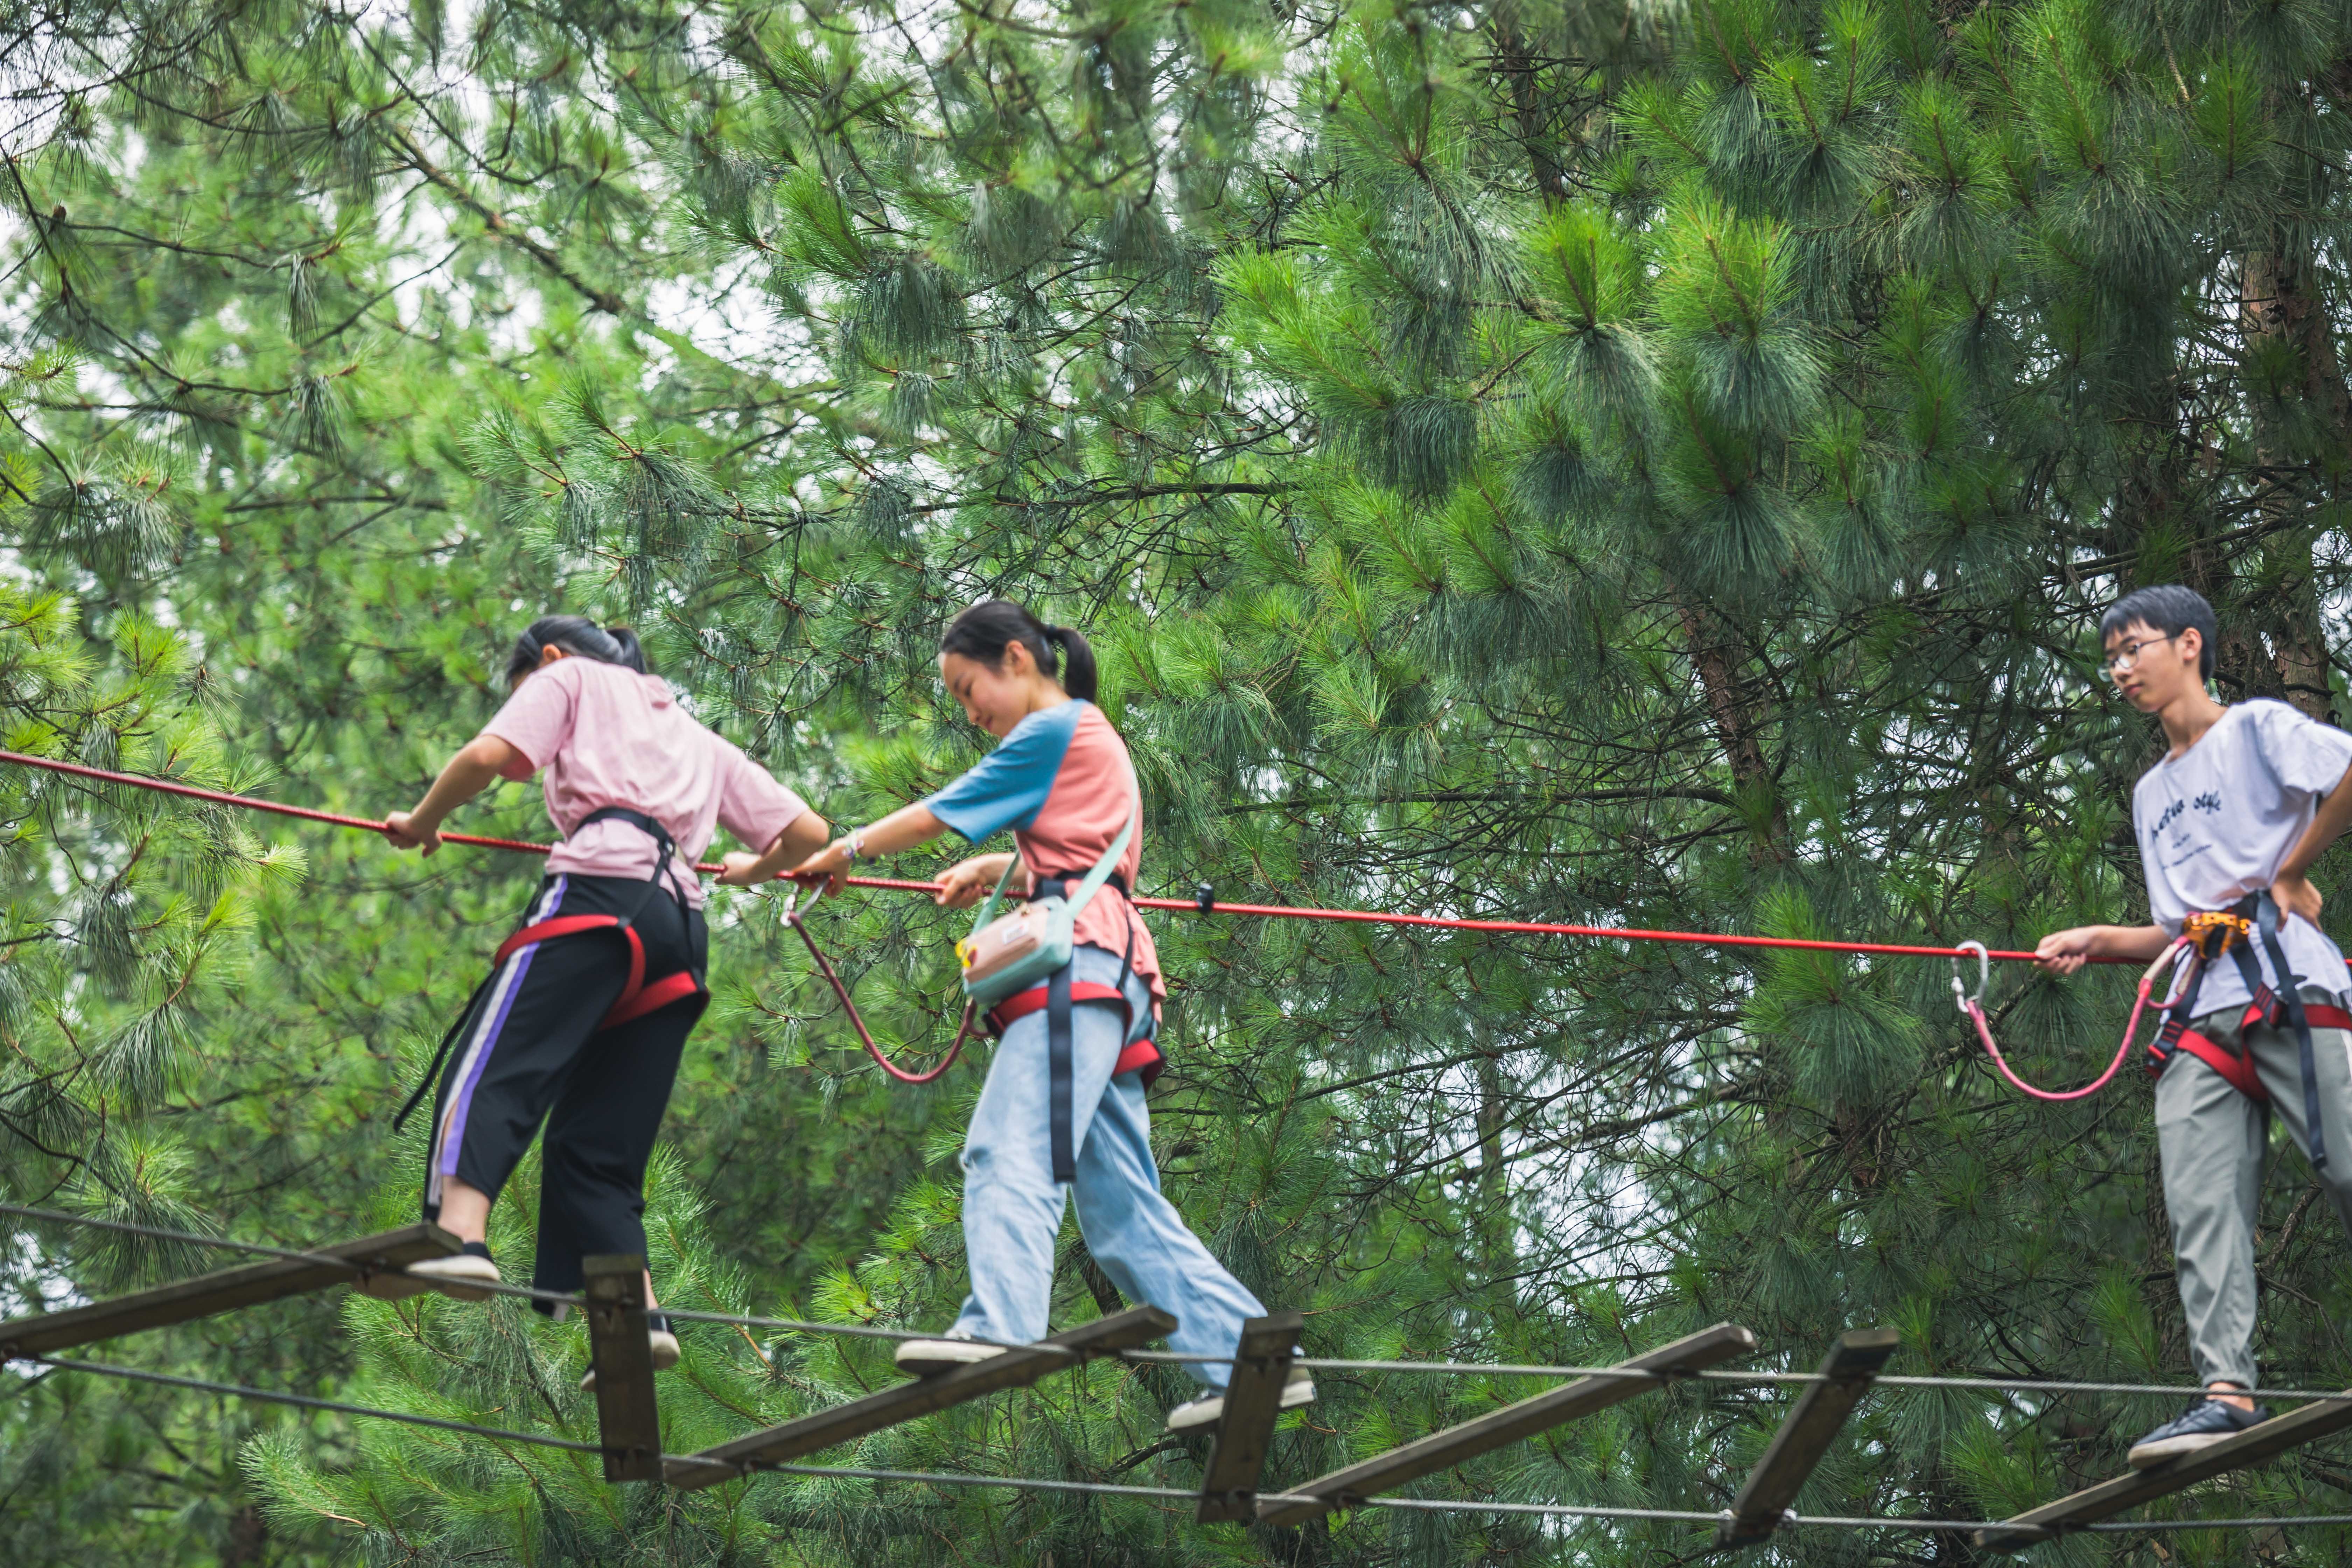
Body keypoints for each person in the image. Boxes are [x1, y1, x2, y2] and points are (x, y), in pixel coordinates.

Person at [731, 599, 1303, 1431]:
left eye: (970, 690)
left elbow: (944, 803)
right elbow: (1087, 847)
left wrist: (847, 848)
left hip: (1084, 976)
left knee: (1007, 1149)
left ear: (1015, 658)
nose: (971, 713)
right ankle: (1252, 1356)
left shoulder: (1054, 729)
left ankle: (1000, 1327)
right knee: (1120, 1212)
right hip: (1112, 977)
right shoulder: (1086, 735)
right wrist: (1006, 863)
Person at [383, 616, 826, 1384]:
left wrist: (423, 822)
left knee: (494, 1062)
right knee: (596, 1150)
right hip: (679, 929)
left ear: (549, 658)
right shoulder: (695, 734)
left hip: (599, 896)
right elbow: (809, 832)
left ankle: (462, 1233)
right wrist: (753, 870)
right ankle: (636, 1315)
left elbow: (492, 755)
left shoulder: (571, 676)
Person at [2035, 584, 2352, 1466]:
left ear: (2188, 645)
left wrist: (2291, 868)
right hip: (2198, 1012)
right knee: (2202, 1207)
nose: (2122, 667)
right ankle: (2226, 1392)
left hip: (2288, 984)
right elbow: (2179, 926)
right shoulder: (2151, 794)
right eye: (2111, 658)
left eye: (2134, 647)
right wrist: (2100, 940)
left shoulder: (2255, 729)